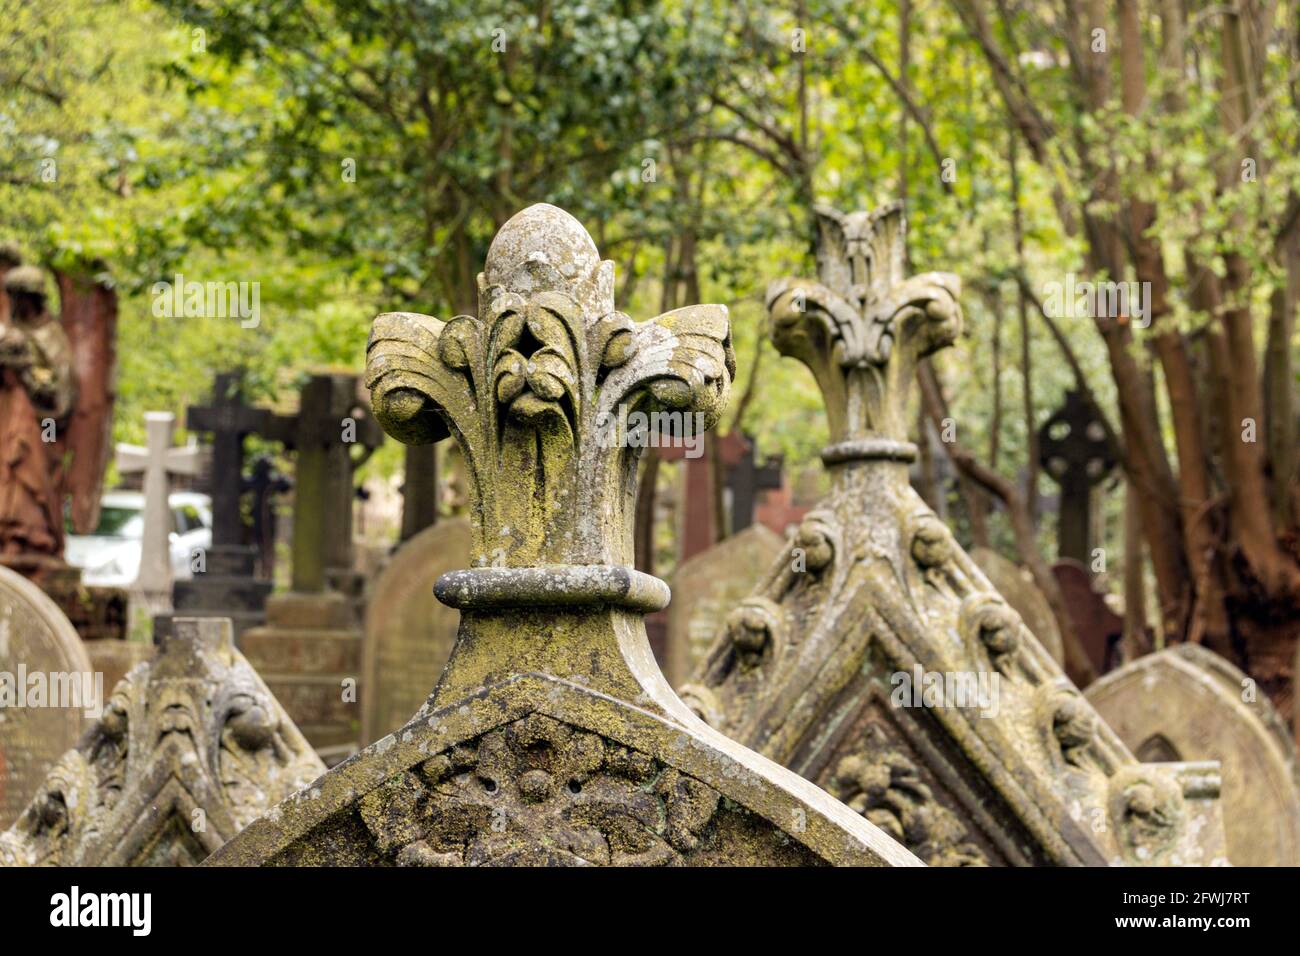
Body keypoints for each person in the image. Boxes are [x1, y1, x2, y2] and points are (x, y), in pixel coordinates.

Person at [0, 265, 75, 564]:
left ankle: (33, 535)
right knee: (9, 469)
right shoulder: (11, 333)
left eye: (20, 297)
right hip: (9, 415)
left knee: (33, 468)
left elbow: (62, 389)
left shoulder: (50, 335)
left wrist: (29, 375)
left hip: (45, 423)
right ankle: (8, 534)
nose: (16, 304)